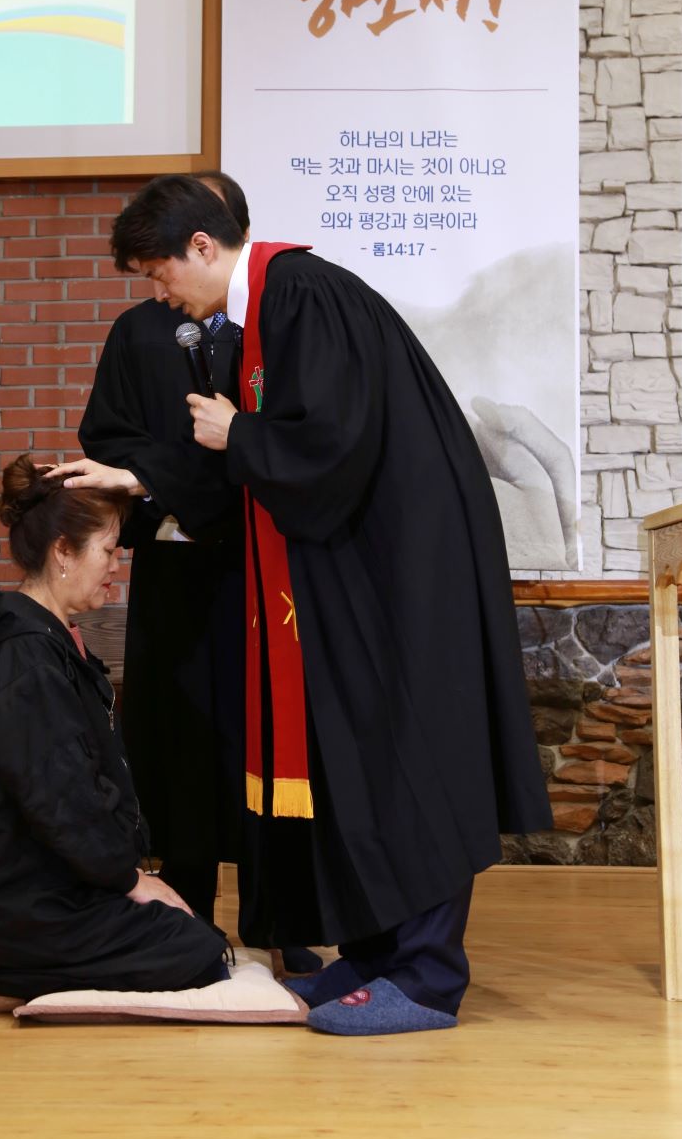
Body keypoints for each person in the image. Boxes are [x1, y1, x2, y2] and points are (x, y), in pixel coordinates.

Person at [100, 175, 552, 1037]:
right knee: (359, 757)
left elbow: (336, 441)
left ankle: (426, 976)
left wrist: (237, 433)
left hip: (402, 572)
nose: (160, 296)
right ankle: (376, 956)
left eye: (159, 274)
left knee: (407, 753)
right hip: (362, 567)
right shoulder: (273, 306)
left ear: (202, 246)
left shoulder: (302, 294)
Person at [53, 171, 320, 975]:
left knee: (270, 734)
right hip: (176, 565)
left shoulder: (272, 322)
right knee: (179, 740)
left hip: (263, 569)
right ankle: (188, 914)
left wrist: (213, 464)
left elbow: (292, 437)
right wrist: (174, 478)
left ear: (219, 235)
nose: (165, 287)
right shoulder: (137, 333)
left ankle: (283, 917)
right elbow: (108, 441)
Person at [0, 455, 228, 1012]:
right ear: (63, 551)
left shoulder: (49, 642)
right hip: (10, 910)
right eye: (108, 551)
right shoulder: (24, 660)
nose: (116, 565)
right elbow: (59, 798)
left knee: (197, 934)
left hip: (44, 890)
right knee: (198, 951)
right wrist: (129, 882)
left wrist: (126, 877)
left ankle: (10, 973)